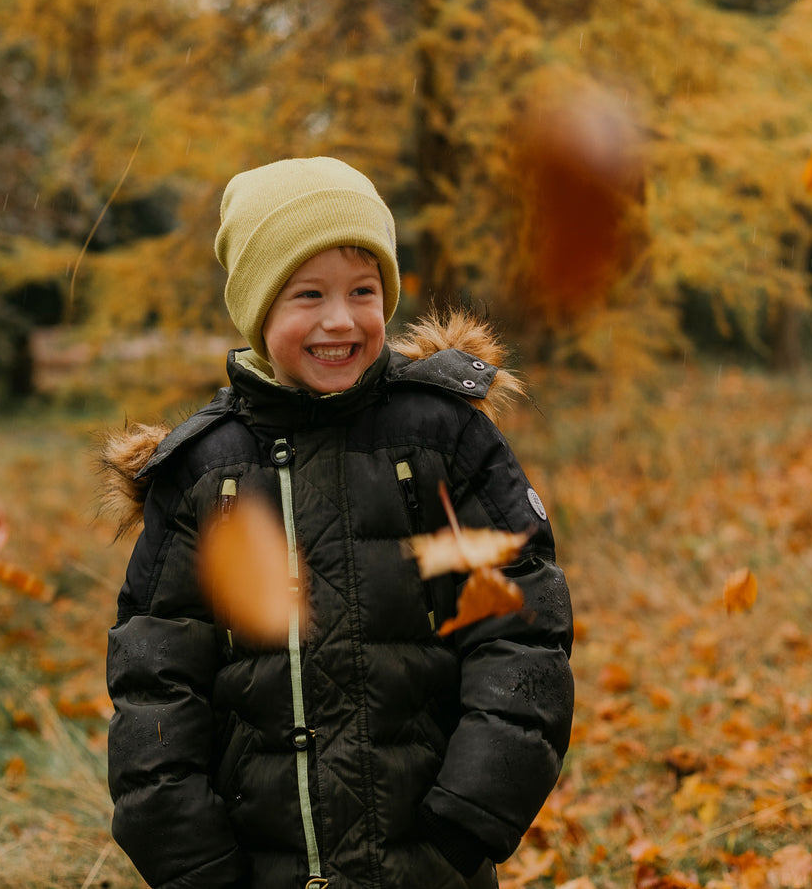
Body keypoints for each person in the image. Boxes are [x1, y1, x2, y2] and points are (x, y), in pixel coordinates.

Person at [102, 156, 575, 889]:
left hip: (429, 853)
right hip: (262, 860)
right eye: (307, 294)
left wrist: (469, 815)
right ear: (258, 311)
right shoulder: (204, 472)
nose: (340, 319)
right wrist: (191, 856)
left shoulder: (441, 439)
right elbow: (157, 680)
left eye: (363, 291)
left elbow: (521, 632)